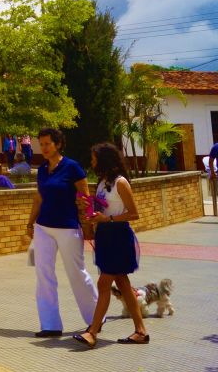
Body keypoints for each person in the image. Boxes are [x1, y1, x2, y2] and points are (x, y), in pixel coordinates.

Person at [73, 143, 149, 348]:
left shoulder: (120, 183)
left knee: (104, 283)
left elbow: (134, 213)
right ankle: (141, 331)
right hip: (106, 235)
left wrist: (109, 220)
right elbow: (103, 210)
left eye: (94, 158)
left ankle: (93, 331)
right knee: (123, 284)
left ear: (104, 159)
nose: (92, 162)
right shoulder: (102, 183)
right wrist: (90, 211)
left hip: (118, 236)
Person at [25, 127, 97, 338]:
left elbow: (85, 198)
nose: (44, 148)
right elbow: (39, 198)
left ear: (58, 144)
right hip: (43, 227)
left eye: (48, 143)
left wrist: (88, 226)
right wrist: (30, 224)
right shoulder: (42, 169)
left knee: (76, 273)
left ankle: (95, 318)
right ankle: (50, 325)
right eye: (41, 144)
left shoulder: (73, 167)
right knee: (44, 274)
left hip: (68, 227)